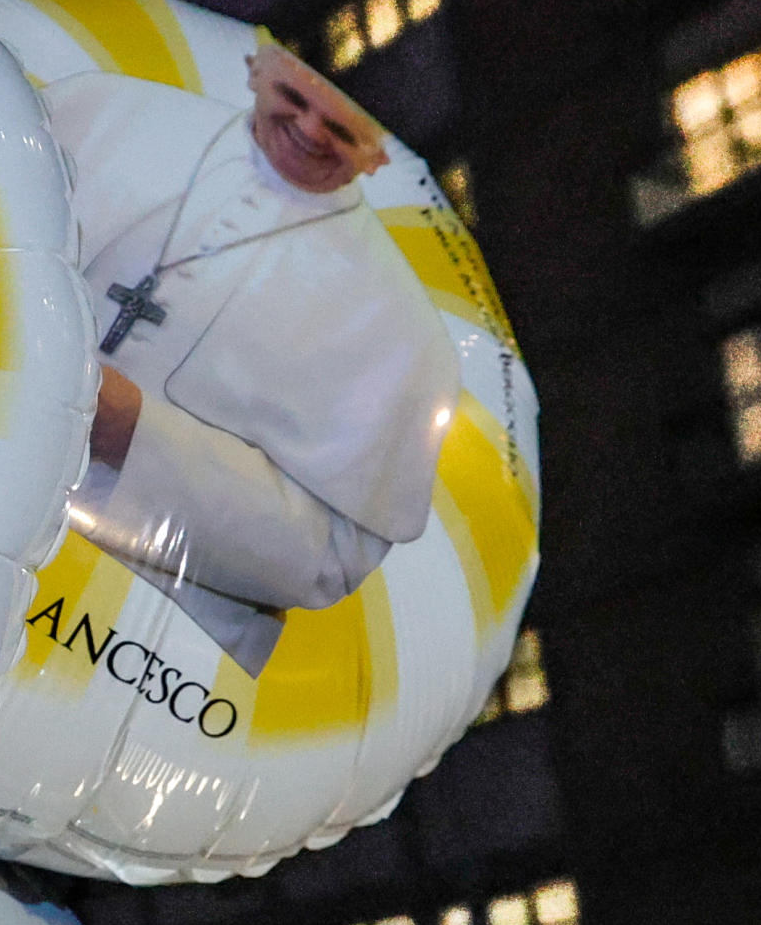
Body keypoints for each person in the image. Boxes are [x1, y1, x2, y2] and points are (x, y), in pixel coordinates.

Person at [51, 42, 457, 675]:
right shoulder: (104, 108)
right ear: (257, 71)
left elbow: (329, 558)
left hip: (124, 633)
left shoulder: (402, 328)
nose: (307, 130)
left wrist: (136, 436)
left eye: (342, 130)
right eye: (293, 99)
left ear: (377, 155)